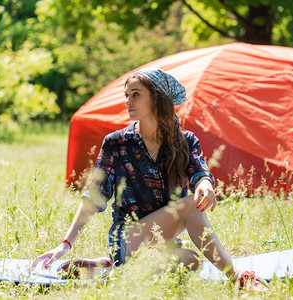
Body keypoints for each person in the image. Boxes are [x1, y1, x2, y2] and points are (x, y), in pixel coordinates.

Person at [32, 68, 266, 290]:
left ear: (157, 99)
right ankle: (238, 276)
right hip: (127, 238)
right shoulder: (116, 143)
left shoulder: (185, 141)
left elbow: (200, 173)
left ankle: (109, 270)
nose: (128, 101)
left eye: (136, 95)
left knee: (191, 261)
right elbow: (94, 197)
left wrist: (205, 184)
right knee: (189, 205)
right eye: (126, 95)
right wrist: (65, 244)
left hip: (162, 241)